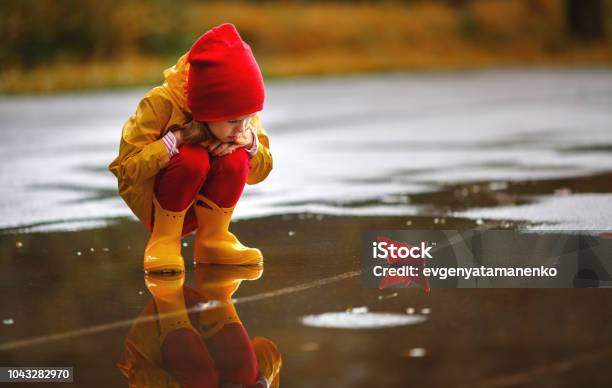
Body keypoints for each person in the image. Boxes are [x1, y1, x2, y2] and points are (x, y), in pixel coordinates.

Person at [108, 23, 273, 273]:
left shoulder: (241, 113)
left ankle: (214, 240)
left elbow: (259, 172)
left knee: (238, 155)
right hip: (159, 204)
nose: (241, 127)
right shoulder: (159, 104)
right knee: (192, 157)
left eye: (248, 118)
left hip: (203, 208)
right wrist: (177, 139)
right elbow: (126, 172)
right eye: (232, 121)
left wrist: (250, 144)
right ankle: (164, 242)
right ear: (208, 109)